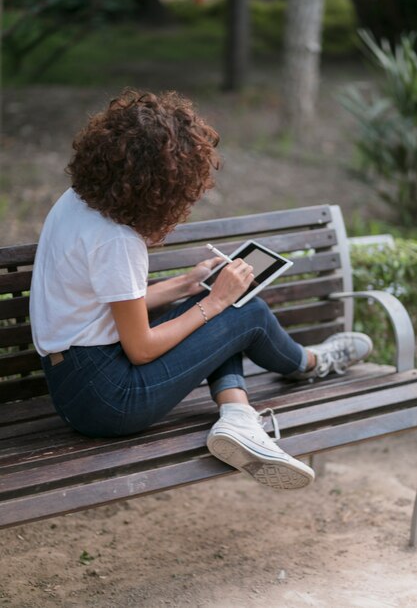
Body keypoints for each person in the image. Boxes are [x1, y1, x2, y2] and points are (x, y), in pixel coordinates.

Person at [30, 88, 373, 491]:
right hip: (108, 401)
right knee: (244, 312)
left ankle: (238, 418)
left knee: (222, 314)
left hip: (75, 381)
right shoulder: (116, 239)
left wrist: (188, 284)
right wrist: (216, 300)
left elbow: (109, 308)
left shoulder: (77, 202)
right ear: (160, 184)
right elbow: (141, 348)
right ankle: (311, 364)